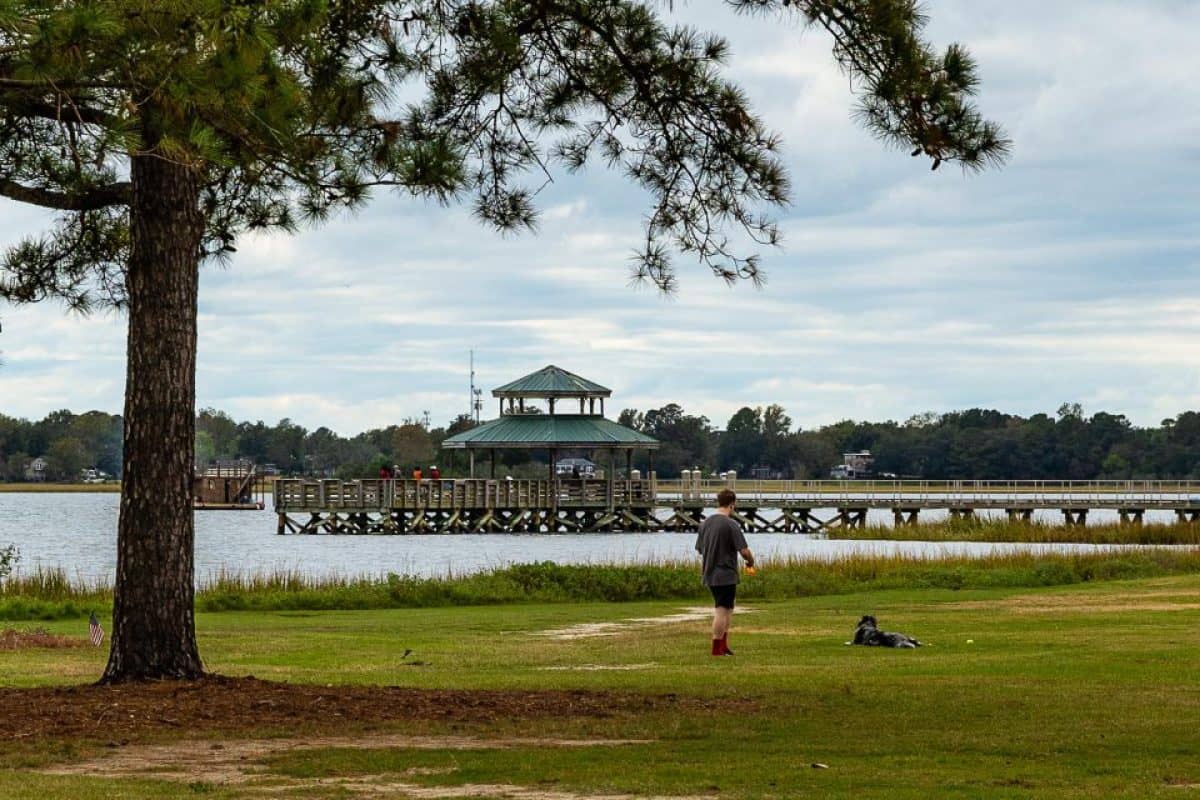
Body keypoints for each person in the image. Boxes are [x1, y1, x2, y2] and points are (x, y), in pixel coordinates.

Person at [695, 489, 754, 656]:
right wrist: (750, 562)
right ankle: (716, 648)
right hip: (726, 573)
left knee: (728, 607)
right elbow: (744, 551)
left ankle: (723, 646)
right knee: (722, 609)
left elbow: (700, 549)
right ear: (732, 504)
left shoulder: (705, 524)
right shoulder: (731, 524)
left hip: (709, 572)